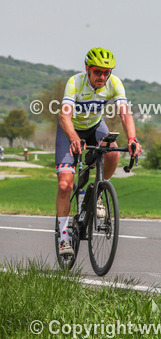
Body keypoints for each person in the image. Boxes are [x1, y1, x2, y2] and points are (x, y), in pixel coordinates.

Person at [55, 48, 141, 255]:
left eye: (106, 72)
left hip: (95, 127)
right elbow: (64, 117)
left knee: (113, 151)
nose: (102, 77)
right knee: (65, 185)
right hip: (70, 130)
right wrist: (74, 138)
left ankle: (97, 191)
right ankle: (64, 238)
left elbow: (124, 113)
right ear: (87, 69)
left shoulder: (114, 83)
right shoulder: (75, 83)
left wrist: (132, 139)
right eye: (97, 72)